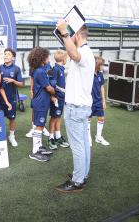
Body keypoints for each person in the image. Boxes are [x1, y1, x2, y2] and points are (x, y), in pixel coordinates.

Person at [54, 23, 95, 193]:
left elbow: (73, 53)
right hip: (81, 107)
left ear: (77, 34)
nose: (68, 38)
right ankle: (82, 175)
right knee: (84, 144)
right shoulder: (87, 52)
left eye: (72, 35)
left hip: (76, 108)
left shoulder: (83, 52)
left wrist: (64, 31)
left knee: (78, 145)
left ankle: (78, 181)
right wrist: (64, 35)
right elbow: (71, 51)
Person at [28, 47, 55, 162]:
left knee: (40, 124)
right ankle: (35, 152)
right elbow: (48, 88)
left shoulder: (40, 70)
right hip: (41, 103)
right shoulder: (40, 72)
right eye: (47, 56)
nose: (49, 58)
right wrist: (55, 91)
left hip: (42, 102)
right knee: (39, 126)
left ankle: (39, 147)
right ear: (42, 58)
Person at [0, 48, 23, 147]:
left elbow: (21, 84)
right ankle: (0, 137)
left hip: (11, 98)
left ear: (12, 57)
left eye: (8, 54)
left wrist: (13, 81)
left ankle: (11, 136)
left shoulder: (16, 69)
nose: (6, 56)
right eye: (5, 54)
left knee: (12, 118)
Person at [48, 49, 70, 150]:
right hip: (57, 99)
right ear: (63, 58)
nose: (67, 59)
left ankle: (58, 137)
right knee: (54, 118)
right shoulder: (56, 69)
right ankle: (50, 138)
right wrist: (53, 97)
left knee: (58, 117)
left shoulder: (60, 68)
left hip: (61, 98)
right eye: (66, 57)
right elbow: (52, 85)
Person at [89, 56, 109, 146]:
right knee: (88, 119)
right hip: (89, 101)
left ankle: (99, 137)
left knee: (101, 118)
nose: (103, 67)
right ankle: (88, 137)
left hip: (98, 101)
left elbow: (102, 87)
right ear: (97, 65)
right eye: (102, 65)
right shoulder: (88, 74)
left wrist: (104, 101)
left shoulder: (100, 74)